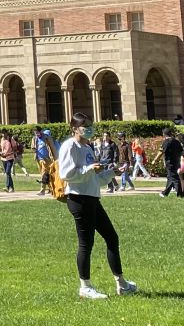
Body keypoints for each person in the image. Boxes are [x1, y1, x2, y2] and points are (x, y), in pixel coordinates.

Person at [57, 117, 137, 300]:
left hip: (92, 198)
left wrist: (111, 173)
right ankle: (85, 286)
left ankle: (122, 283)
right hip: (79, 199)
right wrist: (89, 168)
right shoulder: (70, 146)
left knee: (111, 237)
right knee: (86, 243)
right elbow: (67, 174)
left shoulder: (87, 148)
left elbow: (94, 179)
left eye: (90, 126)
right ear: (74, 128)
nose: (89, 129)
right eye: (85, 126)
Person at [159, 127, 184, 197]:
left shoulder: (166, 142)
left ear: (164, 134)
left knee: (174, 178)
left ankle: (180, 194)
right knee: (170, 177)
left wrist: (155, 160)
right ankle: (165, 193)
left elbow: (161, 152)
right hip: (176, 162)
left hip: (170, 162)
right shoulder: (177, 142)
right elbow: (182, 152)